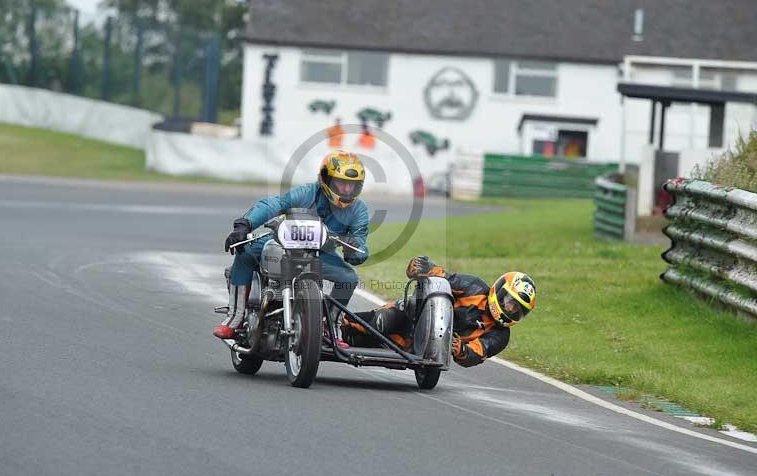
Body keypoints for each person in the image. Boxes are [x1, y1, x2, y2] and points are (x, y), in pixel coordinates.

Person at [214, 150, 369, 348]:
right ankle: (234, 318)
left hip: (321, 253)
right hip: (284, 243)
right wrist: (245, 224)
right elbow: (274, 204)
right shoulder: (308, 192)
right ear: (326, 180)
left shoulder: (359, 210)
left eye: (352, 185)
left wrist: (354, 249)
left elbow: (360, 245)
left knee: (349, 278)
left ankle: (329, 327)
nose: (347, 190)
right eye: (341, 183)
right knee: (245, 253)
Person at [342, 256, 536, 367]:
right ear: (500, 290)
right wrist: (424, 268)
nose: (511, 309)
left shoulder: (500, 336)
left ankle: (343, 336)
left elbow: (477, 353)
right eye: (511, 302)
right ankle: (334, 321)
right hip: (412, 314)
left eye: (518, 309)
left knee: (356, 343)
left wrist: (461, 351)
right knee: (381, 322)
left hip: (418, 347)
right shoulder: (474, 287)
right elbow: (443, 278)